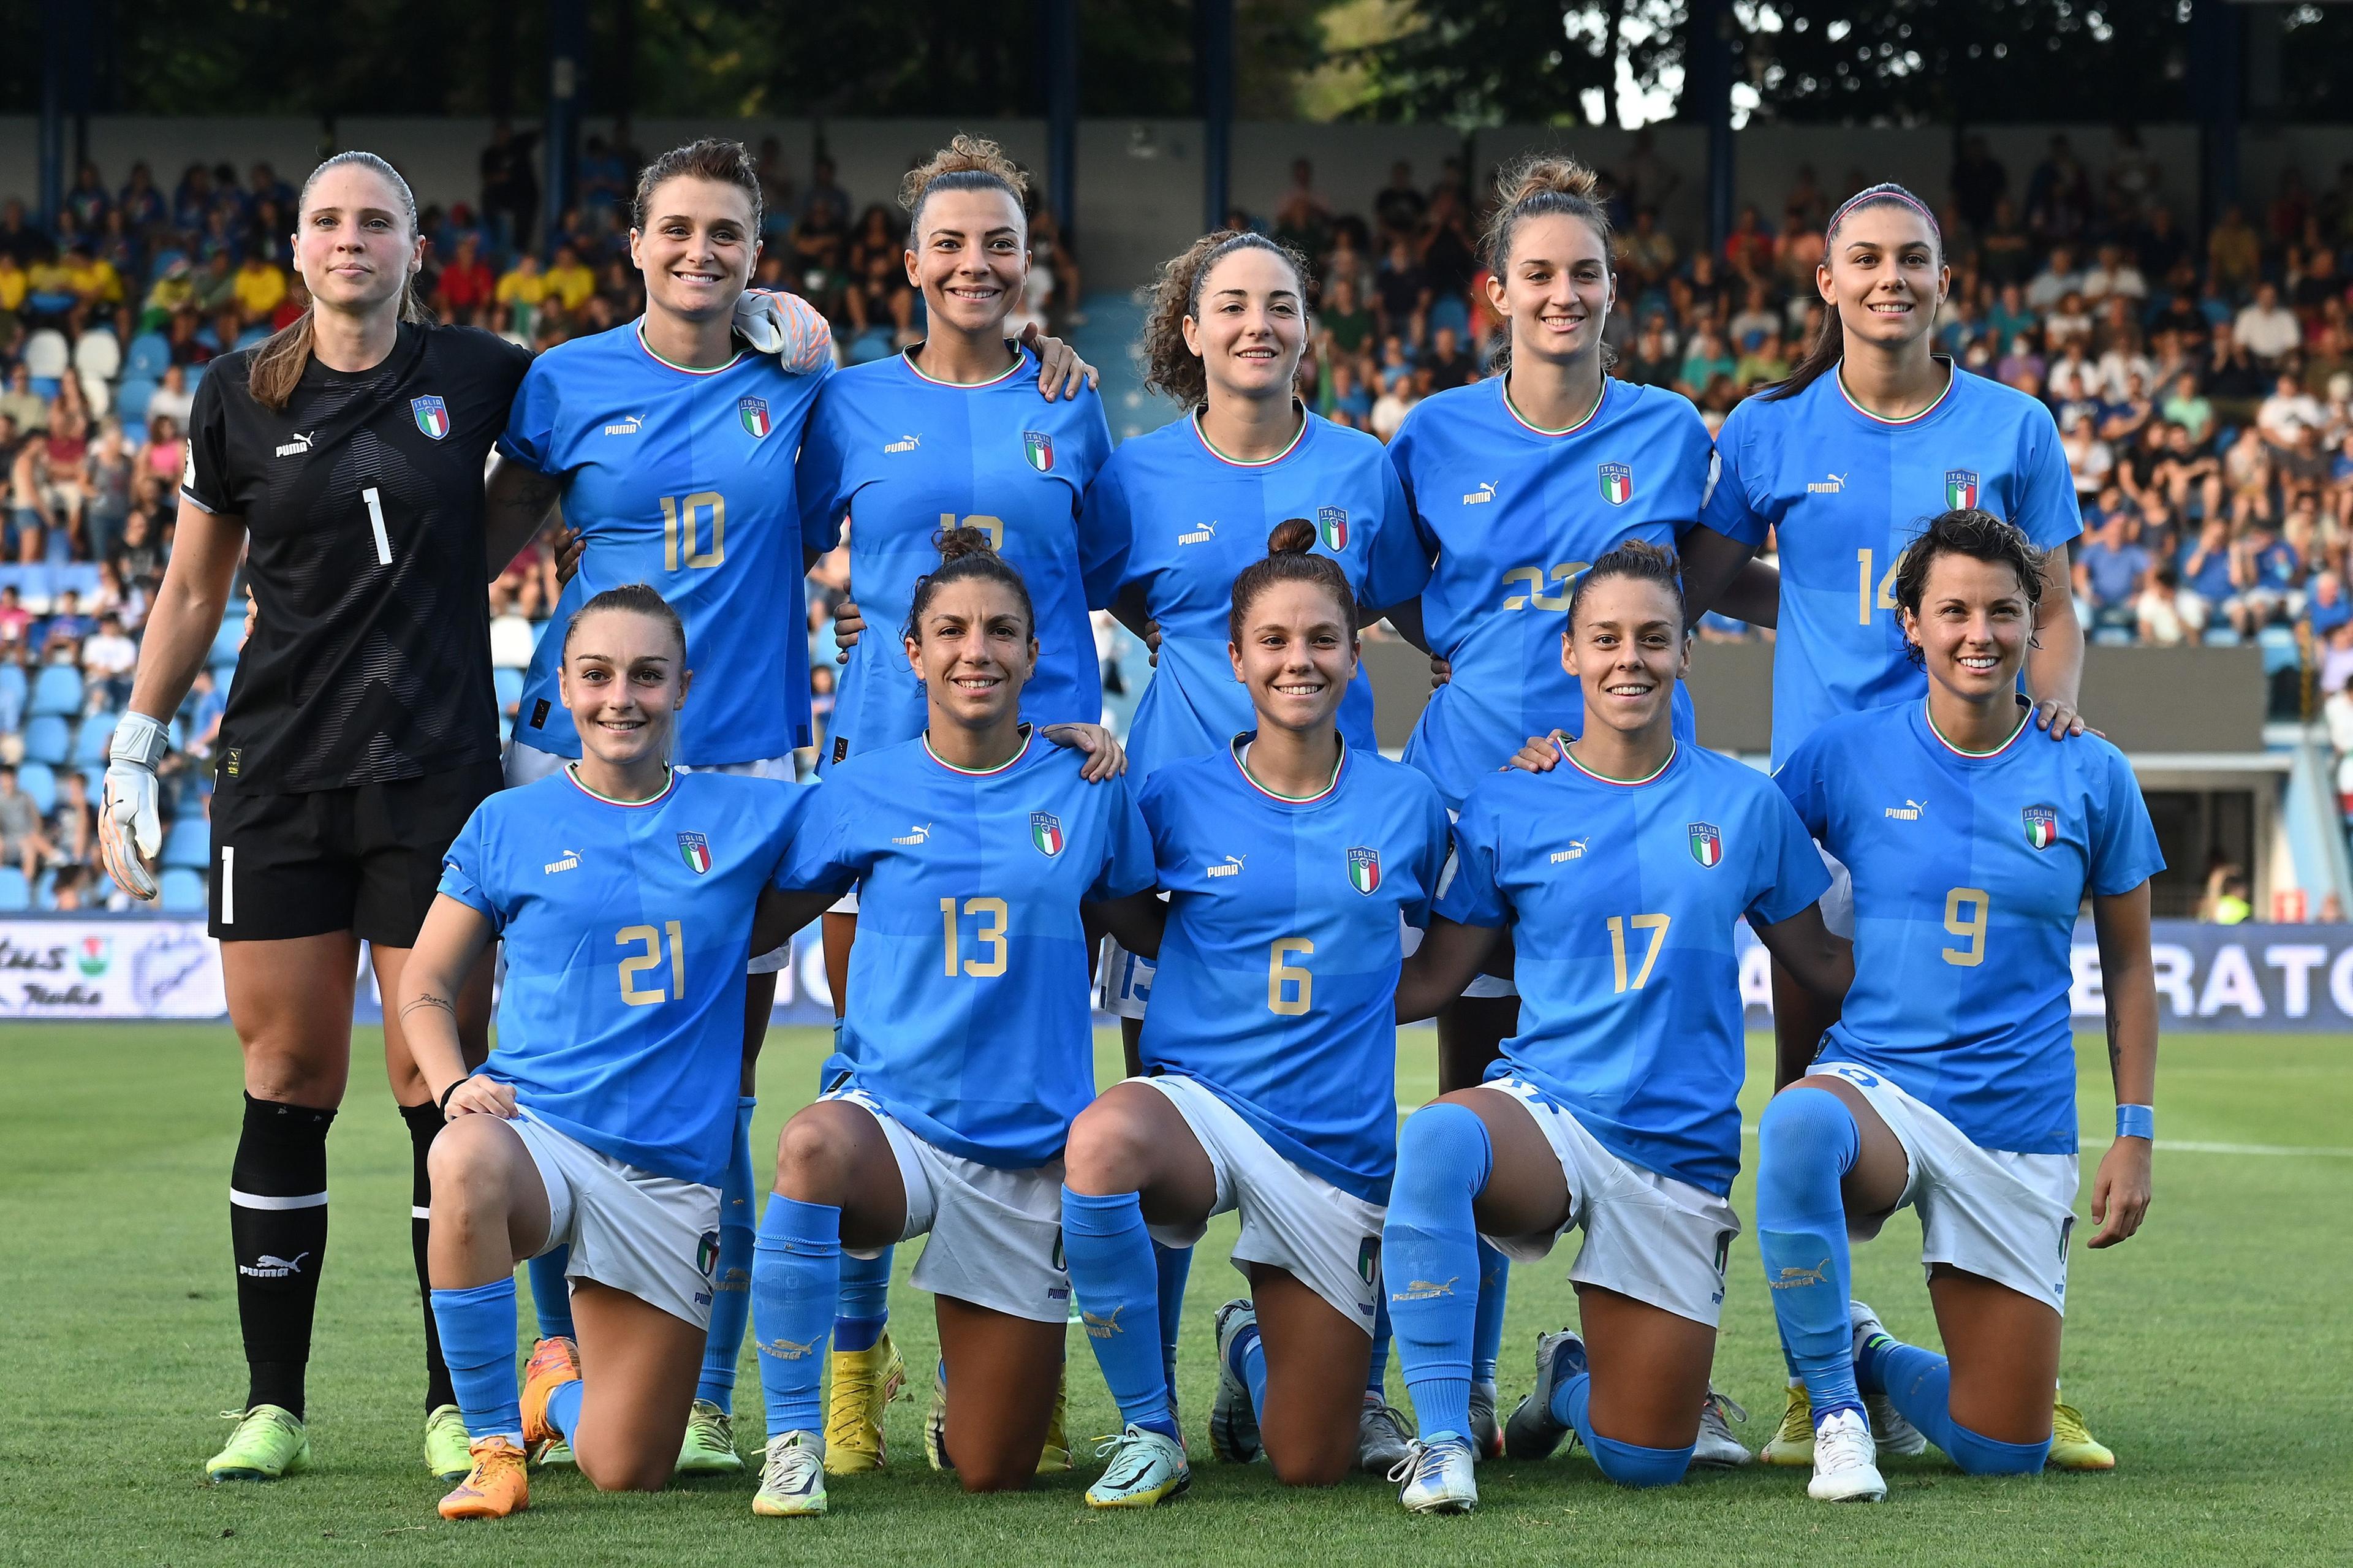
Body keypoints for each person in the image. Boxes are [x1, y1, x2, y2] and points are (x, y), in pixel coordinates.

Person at [94, 151, 550, 1487]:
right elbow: (189, 593)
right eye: (330, 221)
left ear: (418, 246)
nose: (352, 240)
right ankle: (272, 1403)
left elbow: (622, 398)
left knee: (438, 1086)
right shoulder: (237, 392)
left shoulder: (484, 374)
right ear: (297, 248)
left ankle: (454, 1401)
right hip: (277, 773)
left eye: (378, 221)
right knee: (288, 1079)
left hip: (434, 774)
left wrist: (777, 320)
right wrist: (135, 740)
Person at [1692, 182, 2111, 1471]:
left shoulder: (2014, 423)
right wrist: (1809, 598)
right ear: (1826, 281)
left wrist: (2055, 707)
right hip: (1832, 810)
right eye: (1865, 259)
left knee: (2008, 1059)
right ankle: (1814, 1374)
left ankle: (2007, 1355)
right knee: (1815, 1091)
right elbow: (1698, 587)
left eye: (1912, 259)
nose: (1891, 278)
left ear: (1945, 278)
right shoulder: (1768, 433)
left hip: (1982, 794)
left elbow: (2056, 601)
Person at [1376, 155, 1760, 1457]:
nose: (1562, 293)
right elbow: (1398, 591)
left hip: (1638, 809)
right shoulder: (1428, 435)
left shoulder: (1669, 432)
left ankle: (1633, 1358)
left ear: (1613, 289)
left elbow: (1705, 582)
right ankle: (1464, 1384)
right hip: (1478, 796)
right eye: (1537, 273)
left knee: (1646, 1068)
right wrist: (1478, 660)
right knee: (1470, 1081)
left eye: (1583, 272)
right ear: (1496, 292)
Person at [1379, 542, 1851, 1515]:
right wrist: (1260, 979)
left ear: (1688, 652)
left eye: (1652, 638)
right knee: (1434, 1138)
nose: (1628, 658)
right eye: (1606, 639)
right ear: (1570, 656)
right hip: (1550, 1114)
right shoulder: (1509, 800)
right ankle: (1439, 1441)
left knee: (1648, 1460)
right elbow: (1433, 978)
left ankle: (1566, 1383)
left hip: (1678, 1147)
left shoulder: (1745, 804)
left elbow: (1825, 967)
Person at [790, 136, 1114, 1474]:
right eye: (951, 242)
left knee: (1045, 1040)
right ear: (911, 260)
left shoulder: (1073, 401)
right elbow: (785, 534)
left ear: (1027, 261)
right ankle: (855, 1364)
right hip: (887, 758)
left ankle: (1023, 1327)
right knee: (873, 1051)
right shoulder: (847, 402)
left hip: (1052, 770)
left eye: (1001, 242)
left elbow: (1111, 574)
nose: (975, 264)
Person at [1083, 227, 1426, 1472]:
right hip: (1184, 843)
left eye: (1280, 304)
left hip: (1335, 834)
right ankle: (1151, 1406)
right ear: (1188, 329)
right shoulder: (1137, 472)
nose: (1257, 325)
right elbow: (1130, 602)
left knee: (1348, 1087)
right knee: (1160, 1121)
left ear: (1305, 326)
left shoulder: (1361, 467)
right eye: (1231, 306)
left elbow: (1390, 605)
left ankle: (1291, 1357)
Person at [744, 531, 1159, 1516]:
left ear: (1036, 651)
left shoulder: (1089, 786)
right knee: (809, 1146)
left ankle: (960, 1405)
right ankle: (797, 1435)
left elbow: (1152, 928)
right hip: (891, 1129)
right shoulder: (859, 790)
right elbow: (754, 921)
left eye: (1001, 632)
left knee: (994, 1471)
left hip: (1029, 1150)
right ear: (913, 652)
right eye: (953, 631)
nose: (977, 651)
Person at [398, 585, 833, 1519]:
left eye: (646, 676)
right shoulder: (506, 823)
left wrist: (1053, 746)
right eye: (596, 676)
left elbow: (891, 805)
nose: (619, 699)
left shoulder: (754, 814)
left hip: (670, 1177)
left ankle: (552, 1386)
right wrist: (453, 1084)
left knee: (629, 1467)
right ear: (565, 684)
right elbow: (425, 985)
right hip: (540, 1139)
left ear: (685, 687)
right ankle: (492, 1449)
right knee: (462, 1156)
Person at [1759, 510, 2161, 1502]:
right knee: (1801, 1123)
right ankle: (1835, 1415)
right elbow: (1731, 845)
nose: (1978, 632)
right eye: (1953, 611)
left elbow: (2134, 965)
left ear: (2035, 625)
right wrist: (1585, 770)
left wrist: (2135, 1134)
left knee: (2002, 1449)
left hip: (2015, 1119)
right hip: (1881, 1087)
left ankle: (1870, 1357)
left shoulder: (2092, 772)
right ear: (1911, 626)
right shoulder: (1842, 754)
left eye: (2003, 611)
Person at [1066, 523, 1450, 1506]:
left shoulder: (1408, 803)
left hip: (1333, 1142)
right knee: (1105, 1142)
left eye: (1322, 640)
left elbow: (1457, 946)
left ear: (1357, 654)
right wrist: (1208, 962)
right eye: (1273, 642)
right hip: (1201, 1103)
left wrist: (1366, 1004)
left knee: (1309, 1463)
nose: (1299, 662)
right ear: (1235, 658)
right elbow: (1117, 908)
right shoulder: (1173, 795)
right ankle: (1150, 1429)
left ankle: (1246, 1351)